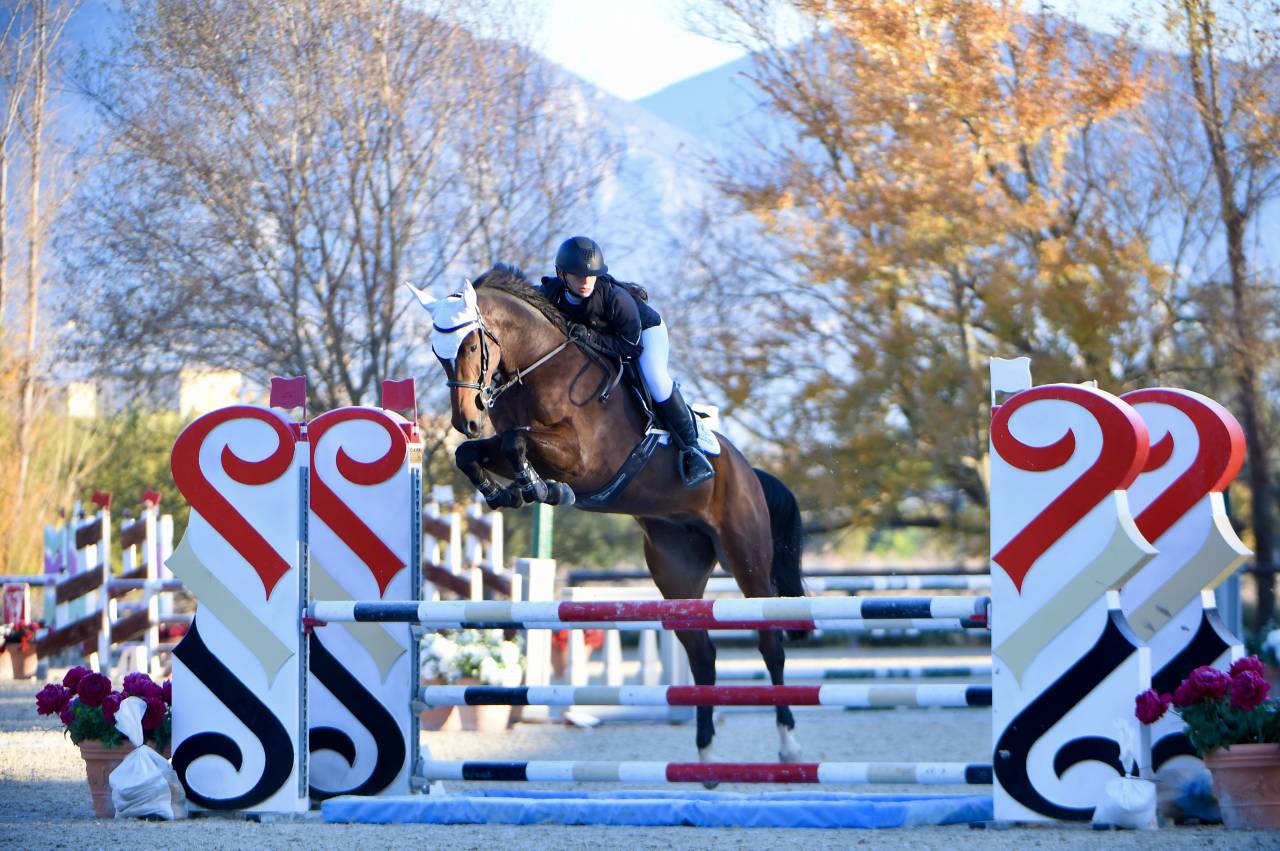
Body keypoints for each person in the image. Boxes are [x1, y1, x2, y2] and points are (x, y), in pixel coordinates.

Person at [538, 236, 714, 487]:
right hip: (608, 339)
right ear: (561, 274)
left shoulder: (614, 298)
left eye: (591, 275)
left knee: (654, 377)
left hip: (643, 333)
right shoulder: (550, 294)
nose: (586, 281)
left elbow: (630, 347)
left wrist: (589, 336)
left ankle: (692, 449)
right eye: (578, 275)